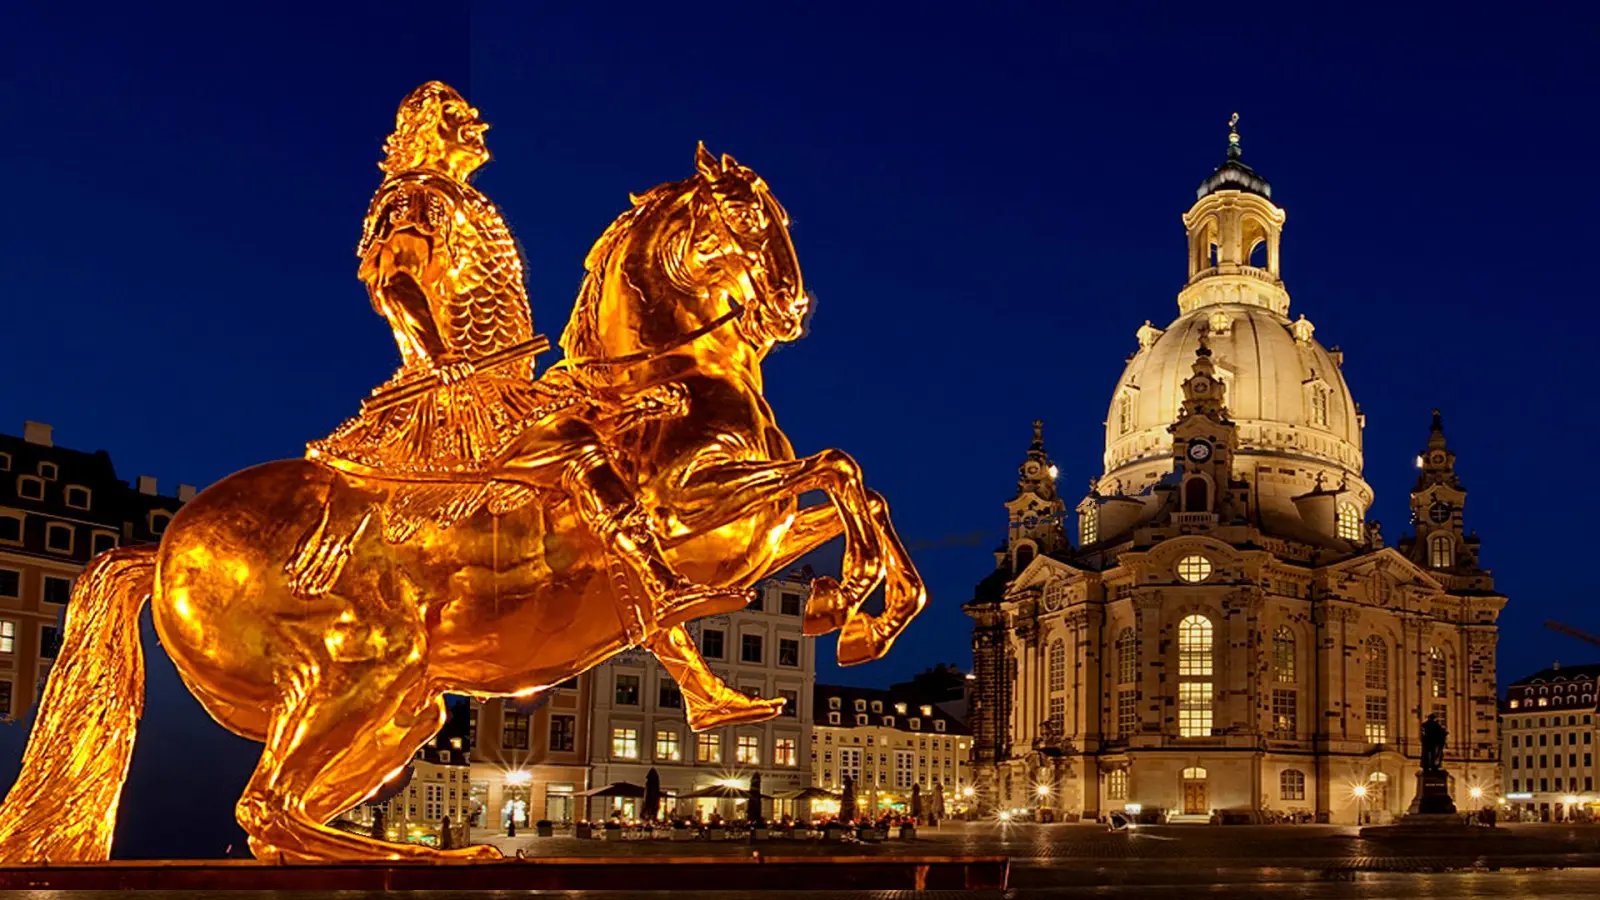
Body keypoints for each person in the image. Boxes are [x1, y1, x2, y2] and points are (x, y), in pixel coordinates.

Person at [290, 82, 746, 637]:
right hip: (457, 392)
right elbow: (395, 282)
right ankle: (662, 584)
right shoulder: (416, 196)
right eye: (457, 114)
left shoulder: (461, 201)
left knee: (601, 423)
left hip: (499, 383)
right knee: (576, 447)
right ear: (427, 129)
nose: (475, 121)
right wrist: (440, 357)